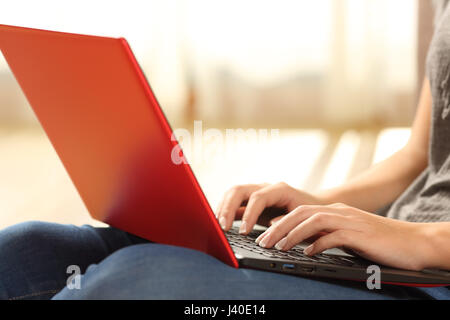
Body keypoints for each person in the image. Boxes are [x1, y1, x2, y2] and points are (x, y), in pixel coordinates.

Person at [1, 2, 450, 300]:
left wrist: (425, 241)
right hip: (390, 253)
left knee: (132, 281)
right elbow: (419, 157)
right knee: (25, 250)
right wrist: (319, 208)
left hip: (432, 276)